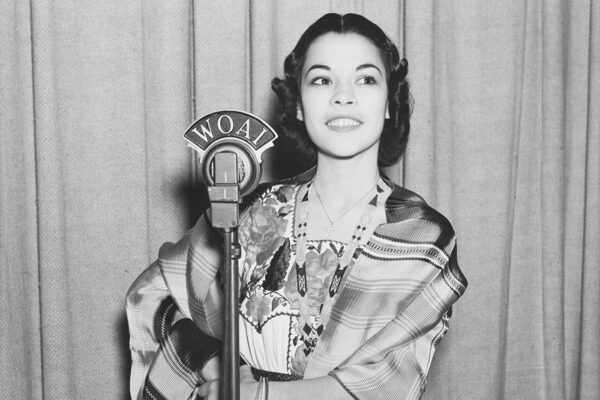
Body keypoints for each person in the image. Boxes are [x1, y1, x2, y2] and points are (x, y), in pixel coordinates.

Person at [126, 13, 467, 400]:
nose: (343, 95)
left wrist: (260, 395)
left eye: (366, 78)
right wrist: (214, 365)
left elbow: (386, 384)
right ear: (299, 106)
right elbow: (154, 293)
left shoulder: (420, 235)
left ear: (390, 103)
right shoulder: (249, 209)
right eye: (322, 79)